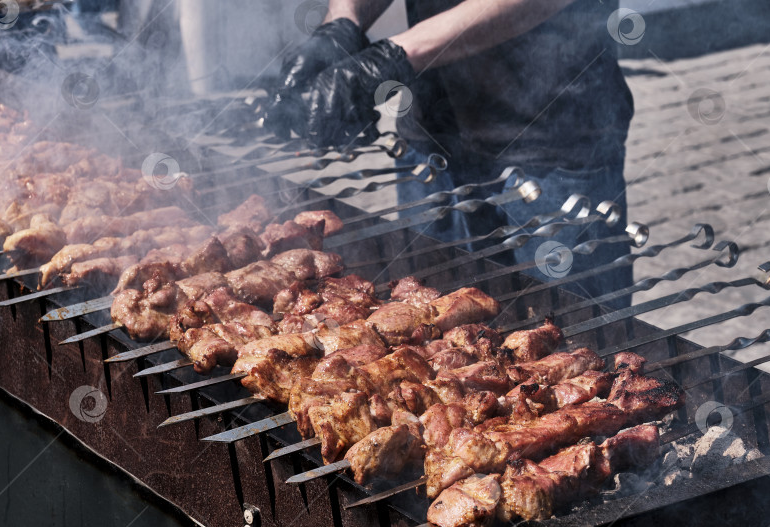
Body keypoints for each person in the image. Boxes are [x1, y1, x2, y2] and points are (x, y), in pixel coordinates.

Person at [264, 0, 635, 307]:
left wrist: (395, 55)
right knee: (427, 337)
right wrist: (345, 22)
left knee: (582, 353)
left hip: (551, 149)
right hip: (429, 146)